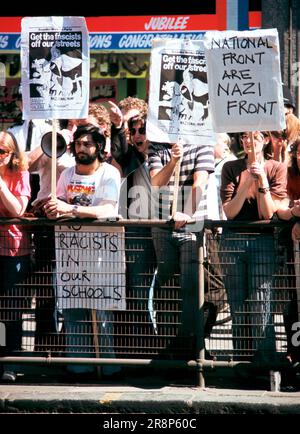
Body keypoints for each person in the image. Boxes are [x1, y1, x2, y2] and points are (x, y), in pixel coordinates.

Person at [44, 124, 121, 379]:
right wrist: (53, 209)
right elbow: (57, 204)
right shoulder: (66, 174)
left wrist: (72, 210)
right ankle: (80, 366)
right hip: (72, 255)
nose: (81, 149)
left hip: (102, 256)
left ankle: (108, 368)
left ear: (98, 147)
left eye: (87, 144)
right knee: (74, 311)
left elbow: (108, 210)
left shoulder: (109, 173)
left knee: (102, 314)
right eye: (78, 144)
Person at [220, 131, 287, 362]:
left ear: (266, 140)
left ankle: (266, 364)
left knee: (261, 304)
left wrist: (262, 181)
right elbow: (229, 212)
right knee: (237, 308)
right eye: (245, 138)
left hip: (262, 240)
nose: (248, 141)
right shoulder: (230, 168)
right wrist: (246, 179)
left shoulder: (276, 168)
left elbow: (267, 213)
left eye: (255, 138)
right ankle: (241, 363)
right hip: (232, 241)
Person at [148, 139, 215, 358]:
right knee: (166, 285)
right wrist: (173, 160)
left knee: (190, 287)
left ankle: (190, 348)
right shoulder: (156, 145)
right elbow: (156, 183)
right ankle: (167, 347)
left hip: (192, 225)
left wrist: (186, 213)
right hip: (162, 226)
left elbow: (200, 182)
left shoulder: (202, 143)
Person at [0, 131, 31, 382]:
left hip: (13, 248)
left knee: (11, 309)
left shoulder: (20, 174)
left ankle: (10, 360)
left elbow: (17, 209)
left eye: (1, 152)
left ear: (12, 154)